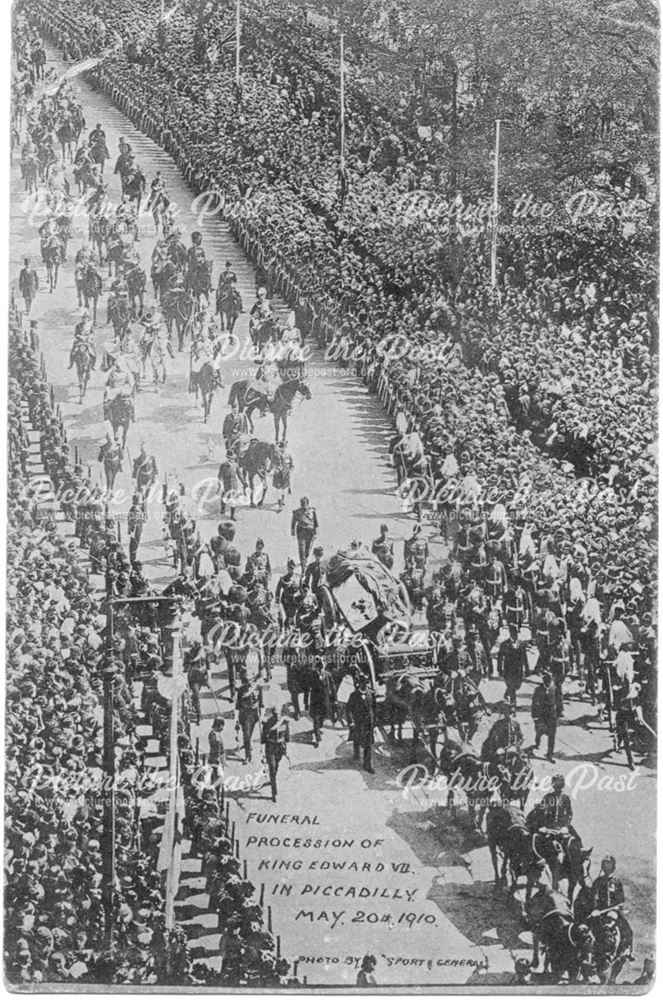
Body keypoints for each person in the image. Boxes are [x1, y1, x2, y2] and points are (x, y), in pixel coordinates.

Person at [347, 674, 377, 774]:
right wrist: (351, 722)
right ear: (359, 683)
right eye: (362, 682)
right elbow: (349, 710)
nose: (364, 684)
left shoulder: (371, 694)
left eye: (366, 682)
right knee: (358, 738)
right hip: (358, 722)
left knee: (368, 744)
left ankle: (367, 765)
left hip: (369, 723)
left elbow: (374, 708)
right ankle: (356, 753)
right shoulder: (354, 695)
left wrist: (375, 722)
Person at [261, 705, 290, 802]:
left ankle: (272, 779)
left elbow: (287, 737)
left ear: (280, 713)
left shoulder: (285, 722)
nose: (276, 716)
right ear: (272, 714)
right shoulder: (268, 723)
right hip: (270, 747)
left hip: (280, 748)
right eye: (274, 714)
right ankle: (274, 792)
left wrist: (286, 749)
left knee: (276, 766)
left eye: (278, 714)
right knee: (272, 769)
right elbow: (263, 738)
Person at [531, 670, 558, 761]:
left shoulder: (554, 688)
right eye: (546, 682)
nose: (548, 684)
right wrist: (534, 716)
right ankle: (537, 742)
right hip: (541, 714)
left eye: (549, 682)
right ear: (543, 682)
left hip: (552, 715)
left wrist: (558, 712)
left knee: (552, 734)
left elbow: (558, 701)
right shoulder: (538, 690)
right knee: (540, 732)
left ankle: (550, 754)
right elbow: (534, 703)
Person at [497, 626, 527, 707]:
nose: (515, 635)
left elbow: (525, 657)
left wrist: (527, 669)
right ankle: (513, 703)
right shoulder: (504, 644)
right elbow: (500, 657)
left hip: (518, 668)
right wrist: (499, 669)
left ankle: (507, 693)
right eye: (513, 633)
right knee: (512, 685)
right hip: (509, 668)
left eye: (516, 633)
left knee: (517, 685)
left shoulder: (521, 643)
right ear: (510, 634)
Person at [235, 676, 261, 764]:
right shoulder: (241, 689)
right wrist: (237, 719)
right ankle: (248, 755)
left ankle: (248, 745)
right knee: (246, 735)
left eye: (252, 680)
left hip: (254, 715)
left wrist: (260, 712)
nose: (250, 682)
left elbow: (261, 702)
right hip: (245, 714)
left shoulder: (258, 687)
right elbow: (238, 705)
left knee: (249, 734)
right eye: (248, 680)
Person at [308, 656, 332, 747]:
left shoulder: (328, 675)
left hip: (325, 701)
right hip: (315, 701)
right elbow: (308, 685)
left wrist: (335, 700)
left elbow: (332, 688)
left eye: (323, 666)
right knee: (316, 719)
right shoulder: (312, 674)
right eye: (320, 667)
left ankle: (318, 729)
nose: (322, 668)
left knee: (322, 717)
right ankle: (317, 738)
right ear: (317, 667)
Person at [291, 496, 318, 568]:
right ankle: (303, 562)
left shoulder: (312, 511)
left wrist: (315, 533)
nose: (303, 506)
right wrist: (293, 531)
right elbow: (293, 522)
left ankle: (305, 558)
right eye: (302, 504)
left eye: (305, 504)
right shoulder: (297, 512)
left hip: (310, 531)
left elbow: (315, 522)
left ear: (308, 504)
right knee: (301, 548)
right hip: (301, 531)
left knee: (308, 547)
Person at [208, 717, 226, 789]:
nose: (222, 728)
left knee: (214, 777)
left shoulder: (213, 734)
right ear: (219, 726)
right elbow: (219, 752)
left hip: (213, 759)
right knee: (217, 777)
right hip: (216, 761)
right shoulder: (216, 738)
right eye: (222, 726)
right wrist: (222, 762)